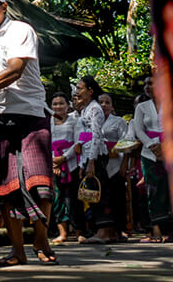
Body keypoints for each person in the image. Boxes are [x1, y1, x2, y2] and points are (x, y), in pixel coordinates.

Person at [0, 0, 55, 266]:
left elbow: (15, 69)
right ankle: (17, 250)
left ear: (3, 6)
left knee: (40, 183)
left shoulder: (20, 30)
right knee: (3, 189)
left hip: (29, 113)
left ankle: (42, 239)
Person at [127, 75, 171, 242]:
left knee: (168, 190)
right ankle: (157, 230)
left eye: (151, 83)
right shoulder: (142, 107)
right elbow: (138, 129)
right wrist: (153, 146)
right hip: (149, 154)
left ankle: (170, 231)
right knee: (153, 191)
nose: (147, 87)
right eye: (145, 84)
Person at [72, 75, 108, 242]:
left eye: (80, 88)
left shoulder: (95, 109)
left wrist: (92, 161)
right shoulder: (85, 110)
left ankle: (103, 231)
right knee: (91, 193)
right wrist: (82, 162)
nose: (77, 91)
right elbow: (85, 137)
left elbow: (96, 136)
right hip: (87, 156)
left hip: (97, 156)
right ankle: (101, 230)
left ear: (90, 91)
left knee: (99, 192)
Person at [96, 92, 129, 241]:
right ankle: (104, 230)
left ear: (112, 106)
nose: (103, 105)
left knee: (118, 197)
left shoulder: (119, 121)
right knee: (103, 198)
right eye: (101, 102)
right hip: (98, 164)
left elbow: (126, 142)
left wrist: (124, 164)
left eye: (107, 102)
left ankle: (119, 230)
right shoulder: (91, 121)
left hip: (116, 164)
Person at [50, 91, 80, 243]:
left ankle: (78, 230)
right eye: (55, 104)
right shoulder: (47, 122)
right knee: (57, 198)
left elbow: (78, 142)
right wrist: (53, 161)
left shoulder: (75, 120)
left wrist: (64, 158)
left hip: (72, 163)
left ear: (68, 105)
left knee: (74, 197)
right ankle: (62, 232)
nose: (58, 106)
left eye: (61, 103)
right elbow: (44, 142)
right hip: (53, 165)